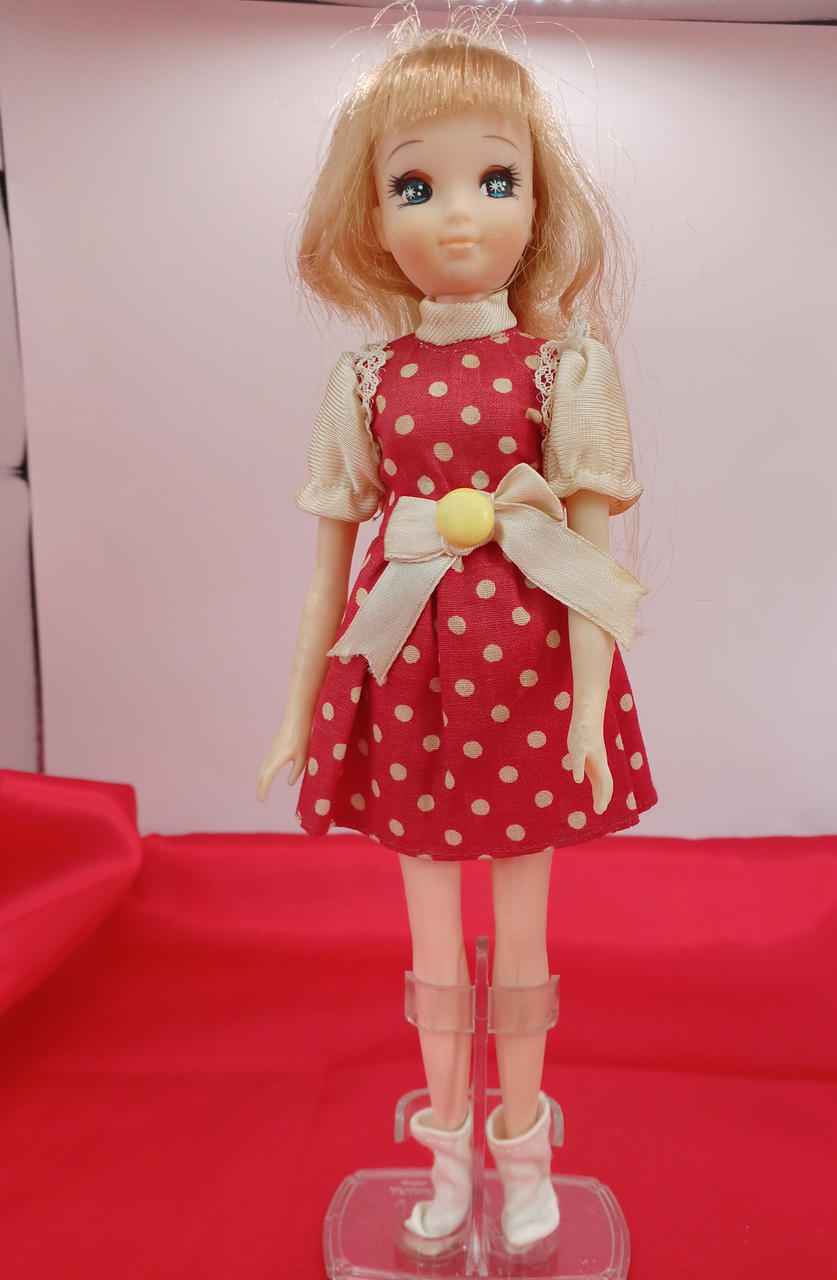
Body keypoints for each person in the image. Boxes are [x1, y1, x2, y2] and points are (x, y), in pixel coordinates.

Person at [257, 17, 656, 1253]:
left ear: (539, 199)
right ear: (371, 215)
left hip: (529, 676)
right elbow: (329, 573)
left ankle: (524, 1150)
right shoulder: (365, 382)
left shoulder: (561, 370)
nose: (461, 217)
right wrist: (296, 712)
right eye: (416, 186)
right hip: (407, 674)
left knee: (523, 942)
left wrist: (587, 713)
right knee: (432, 943)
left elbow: (587, 564)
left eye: (496, 178)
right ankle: (445, 1152)